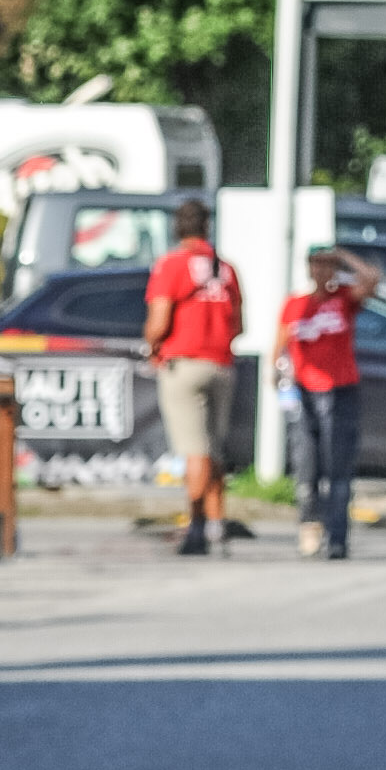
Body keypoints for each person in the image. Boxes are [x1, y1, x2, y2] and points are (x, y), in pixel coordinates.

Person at [144, 200, 243, 554]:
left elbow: (159, 321)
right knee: (214, 451)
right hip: (222, 364)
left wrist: (151, 345)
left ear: (177, 228)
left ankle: (197, 526)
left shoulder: (172, 264)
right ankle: (217, 525)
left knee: (195, 452)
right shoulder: (225, 269)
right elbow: (238, 324)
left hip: (185, 364)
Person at [276, 239, 379, 560]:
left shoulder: (343, 299)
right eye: (316, 264)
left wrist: (344, 256)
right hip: (304, 391)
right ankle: (309, 526)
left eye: (327, 265)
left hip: (340, 390)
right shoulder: (295, 304)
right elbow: (279, 347)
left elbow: (372, 279)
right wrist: (279, 379)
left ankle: (337, 536)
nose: (322, 271)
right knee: (306, 465)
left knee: (338, 468)